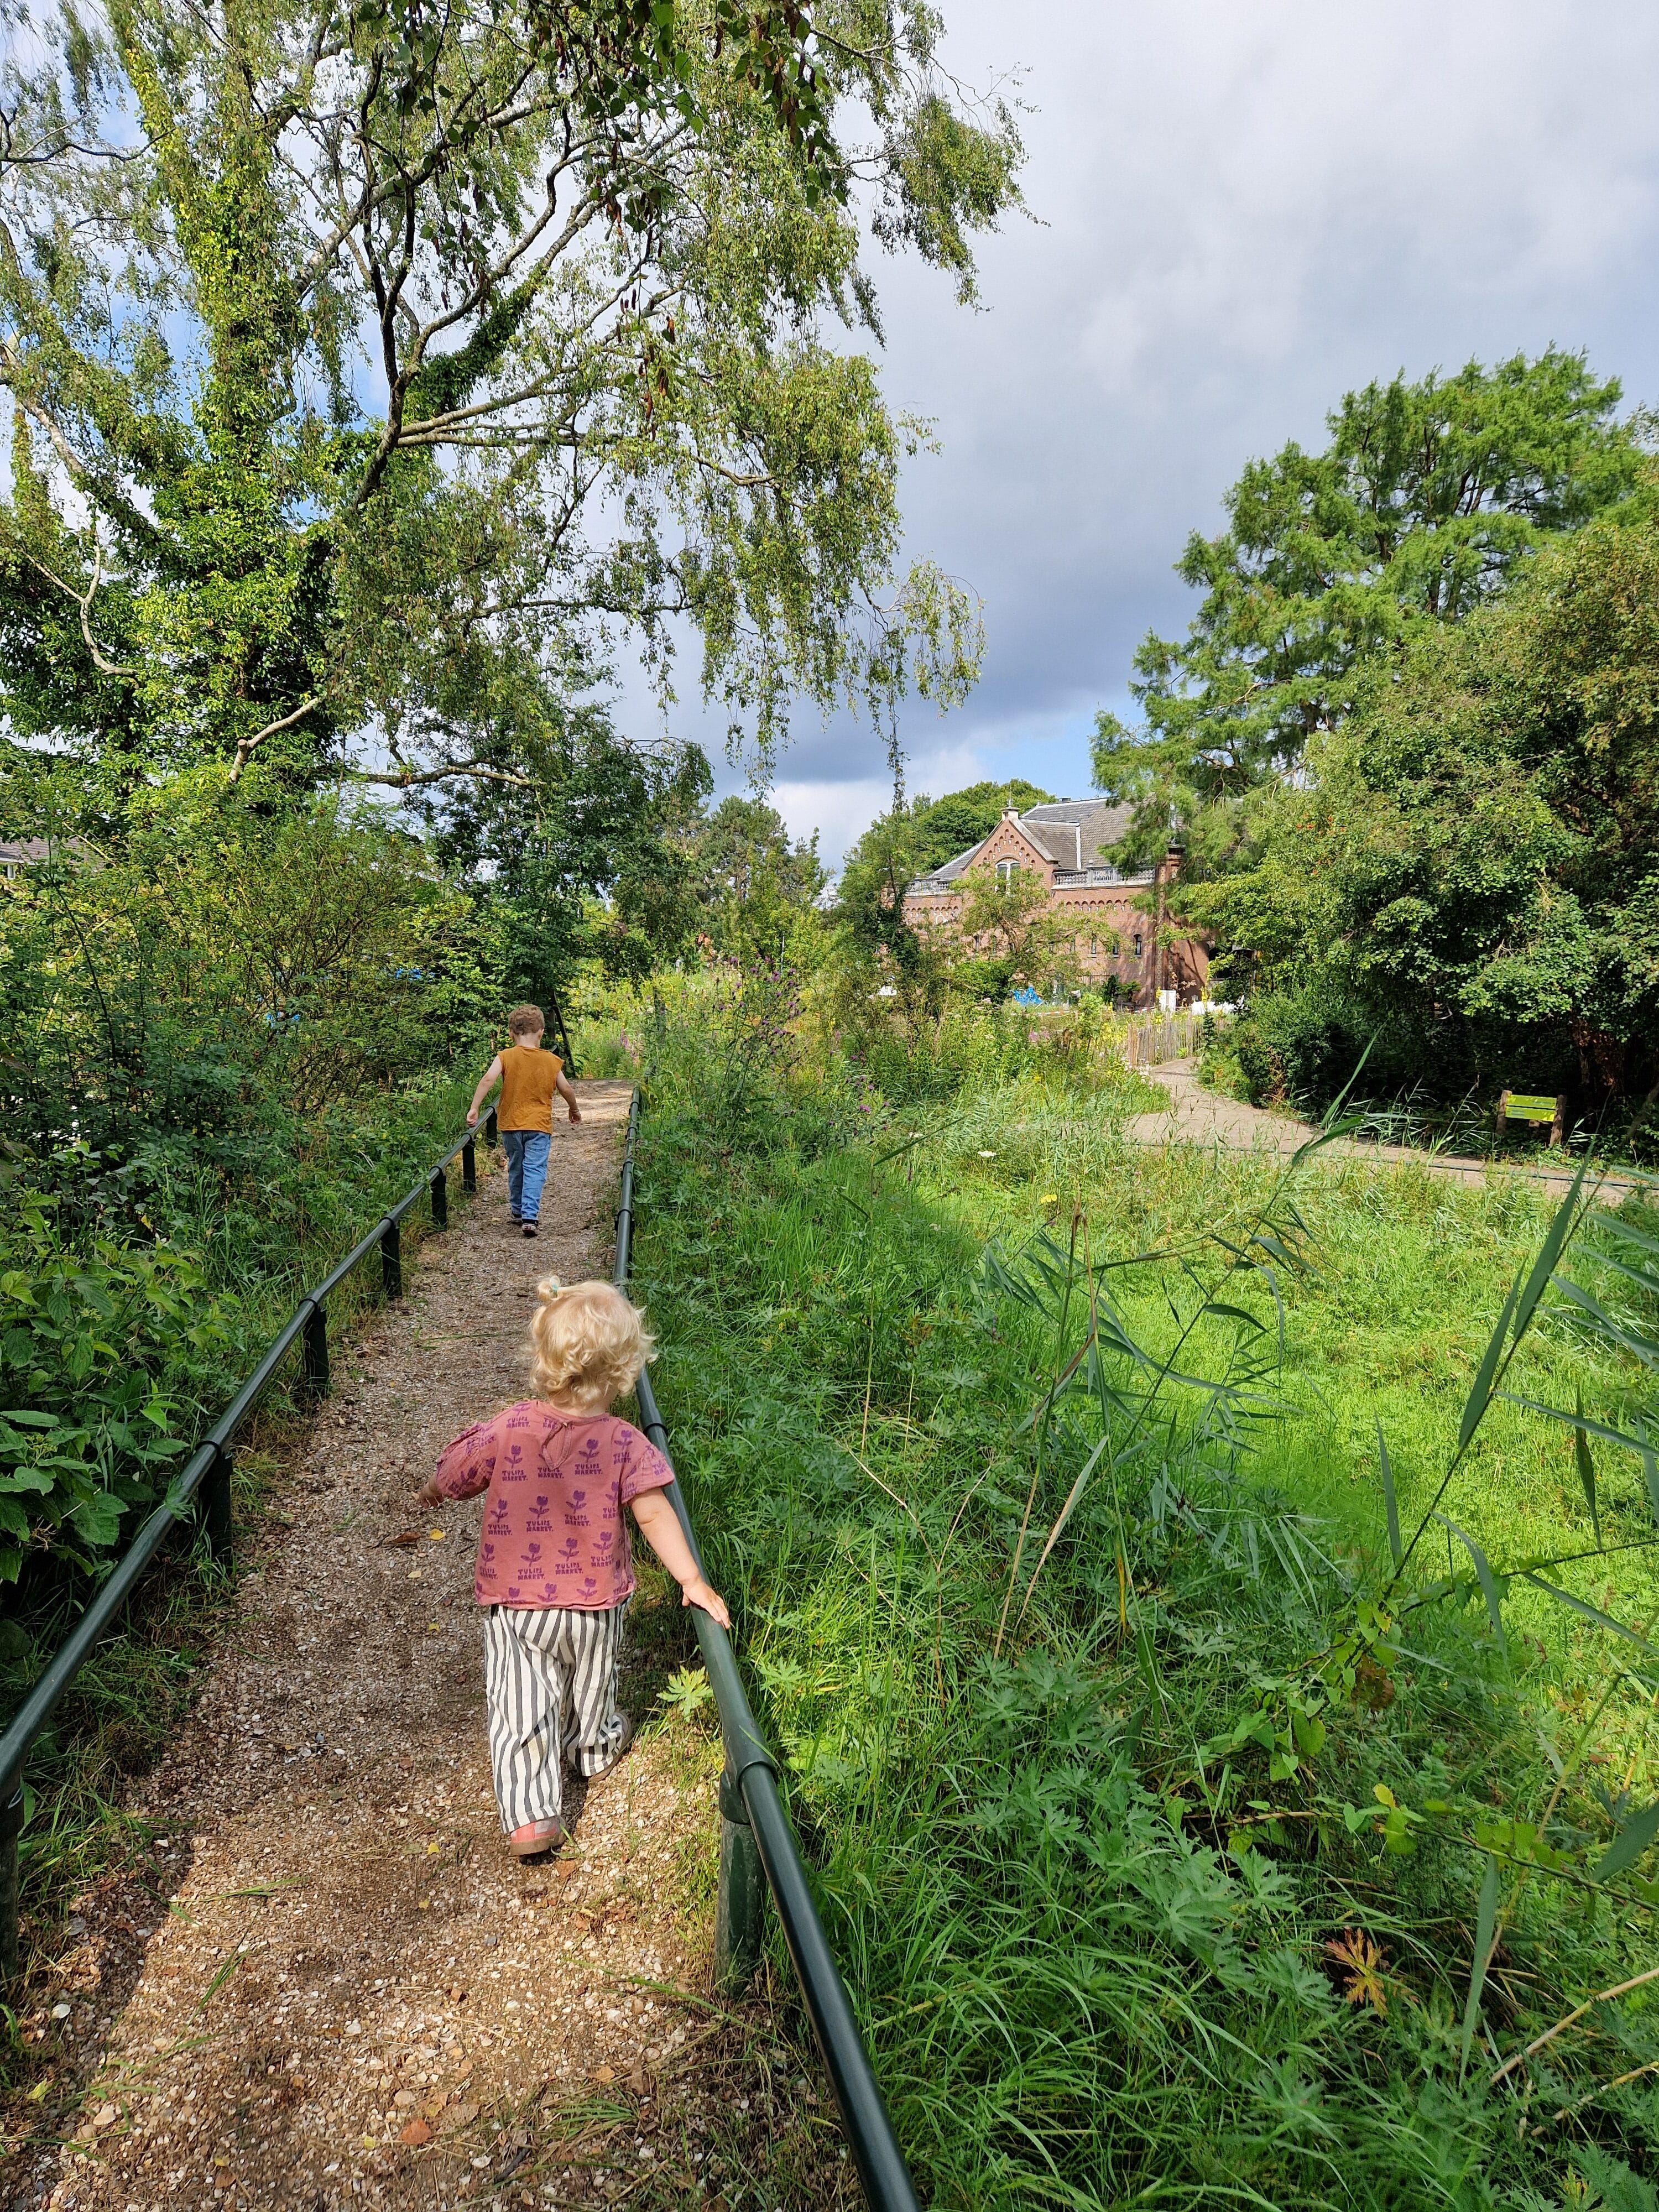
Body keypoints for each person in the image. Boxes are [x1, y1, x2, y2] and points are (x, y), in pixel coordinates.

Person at [418, 1277, 730, 1859]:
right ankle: (593, 1747)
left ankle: (532, 1816)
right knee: (592, 1684)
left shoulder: (512, 1426)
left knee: (519, 1703)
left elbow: (459, 1471)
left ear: (546, 1360)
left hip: (517, 1605)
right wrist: (691, 1579)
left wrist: (435, 1487)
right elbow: (654, 1513)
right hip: (594, 1603)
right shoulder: (625, 1442)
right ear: (622, 1371)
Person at [467, 1004, 580, 1238]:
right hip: (539, 1126)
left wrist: (474, 1108)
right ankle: (530, 1216)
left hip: (510, 1125)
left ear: (511, 1034)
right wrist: (574, 1109)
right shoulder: (550, 1060)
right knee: (535, 1169)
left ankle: (517, 1210)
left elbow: (488, 1080)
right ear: (541, 1033)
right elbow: (566, 1088)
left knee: (516, 1166)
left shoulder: (505, 1056)